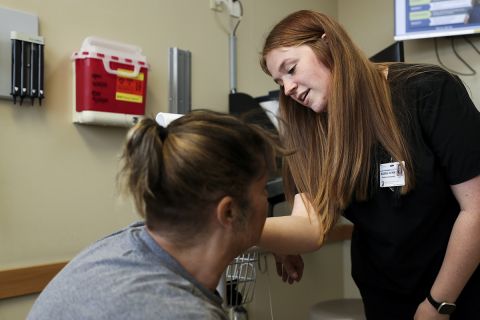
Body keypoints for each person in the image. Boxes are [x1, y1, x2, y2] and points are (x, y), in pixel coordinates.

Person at [257, 10, 480, 320]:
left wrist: (437, 305)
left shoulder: (429, 91)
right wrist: (248, 229)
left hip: (459, 289)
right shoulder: (312, 129)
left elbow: (477, 210)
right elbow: (309, 227)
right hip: (384, 294)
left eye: (291, 69)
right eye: (280, 82)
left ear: (328, 43)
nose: (288, 89)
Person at [27, 110, 282, 320]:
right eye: (262, 189)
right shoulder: (177, 312)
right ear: (229, 211)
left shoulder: (126, 246)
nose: (267, 198)